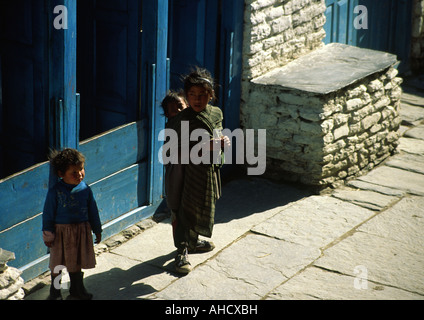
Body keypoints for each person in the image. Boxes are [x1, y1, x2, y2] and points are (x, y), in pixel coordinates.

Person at [166, 67, 230, 274]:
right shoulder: (179, 120)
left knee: (202, 206)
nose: (197, 99)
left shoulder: (216, 113)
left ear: (210, 95)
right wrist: (204, 146)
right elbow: (170, 149)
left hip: (207, 171)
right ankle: (182, 251)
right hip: (185, 172)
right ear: (185, 95)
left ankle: (194, 241)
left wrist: (223, 143)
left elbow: (218, 135)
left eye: (202, 95)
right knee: (185, 209)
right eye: (192, 94)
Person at [42, 148, 102, 300]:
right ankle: (55, 293)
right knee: (58, 265)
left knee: (76, 263)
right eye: (74, 172)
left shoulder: (85, 189)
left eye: (81, 169)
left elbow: (93, 210)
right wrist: (48, 234)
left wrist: (97, 229)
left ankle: (76, 289)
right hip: (60, 234)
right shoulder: (55, 192)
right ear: (61, 174)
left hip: (80, 231)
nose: (80, 174)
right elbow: (48, 214)